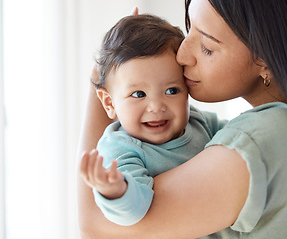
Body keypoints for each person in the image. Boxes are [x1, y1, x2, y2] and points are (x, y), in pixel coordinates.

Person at [77, 0, 287, 238]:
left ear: (264, 58)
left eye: (207, 46)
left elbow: (97, 227)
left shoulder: (256, 143)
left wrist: (104, 71)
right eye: (189, 29)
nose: (182, 54)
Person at [79, 14, 227, 226]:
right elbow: (135, 210)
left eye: (172, 90)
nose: (157, 106)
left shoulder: (198, 122)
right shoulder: (121, 149)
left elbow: (237, 139)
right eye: (139, 94)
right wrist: (116, 190)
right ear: (109, 103)